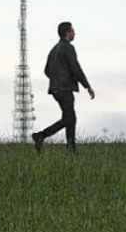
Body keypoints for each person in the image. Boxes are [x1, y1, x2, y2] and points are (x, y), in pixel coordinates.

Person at [32, 21, 94, 153]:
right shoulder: (68, 47)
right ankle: (41, 136)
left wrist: (56, 79)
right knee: (69, 118)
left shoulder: (54, 49)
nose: (74, 33)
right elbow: (75, 68)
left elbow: (47, 71)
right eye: (73, 31)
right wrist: (87, 86)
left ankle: (70, 148)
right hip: (64, 88)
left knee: (69, 117)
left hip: (55, 89)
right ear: (67, 33)